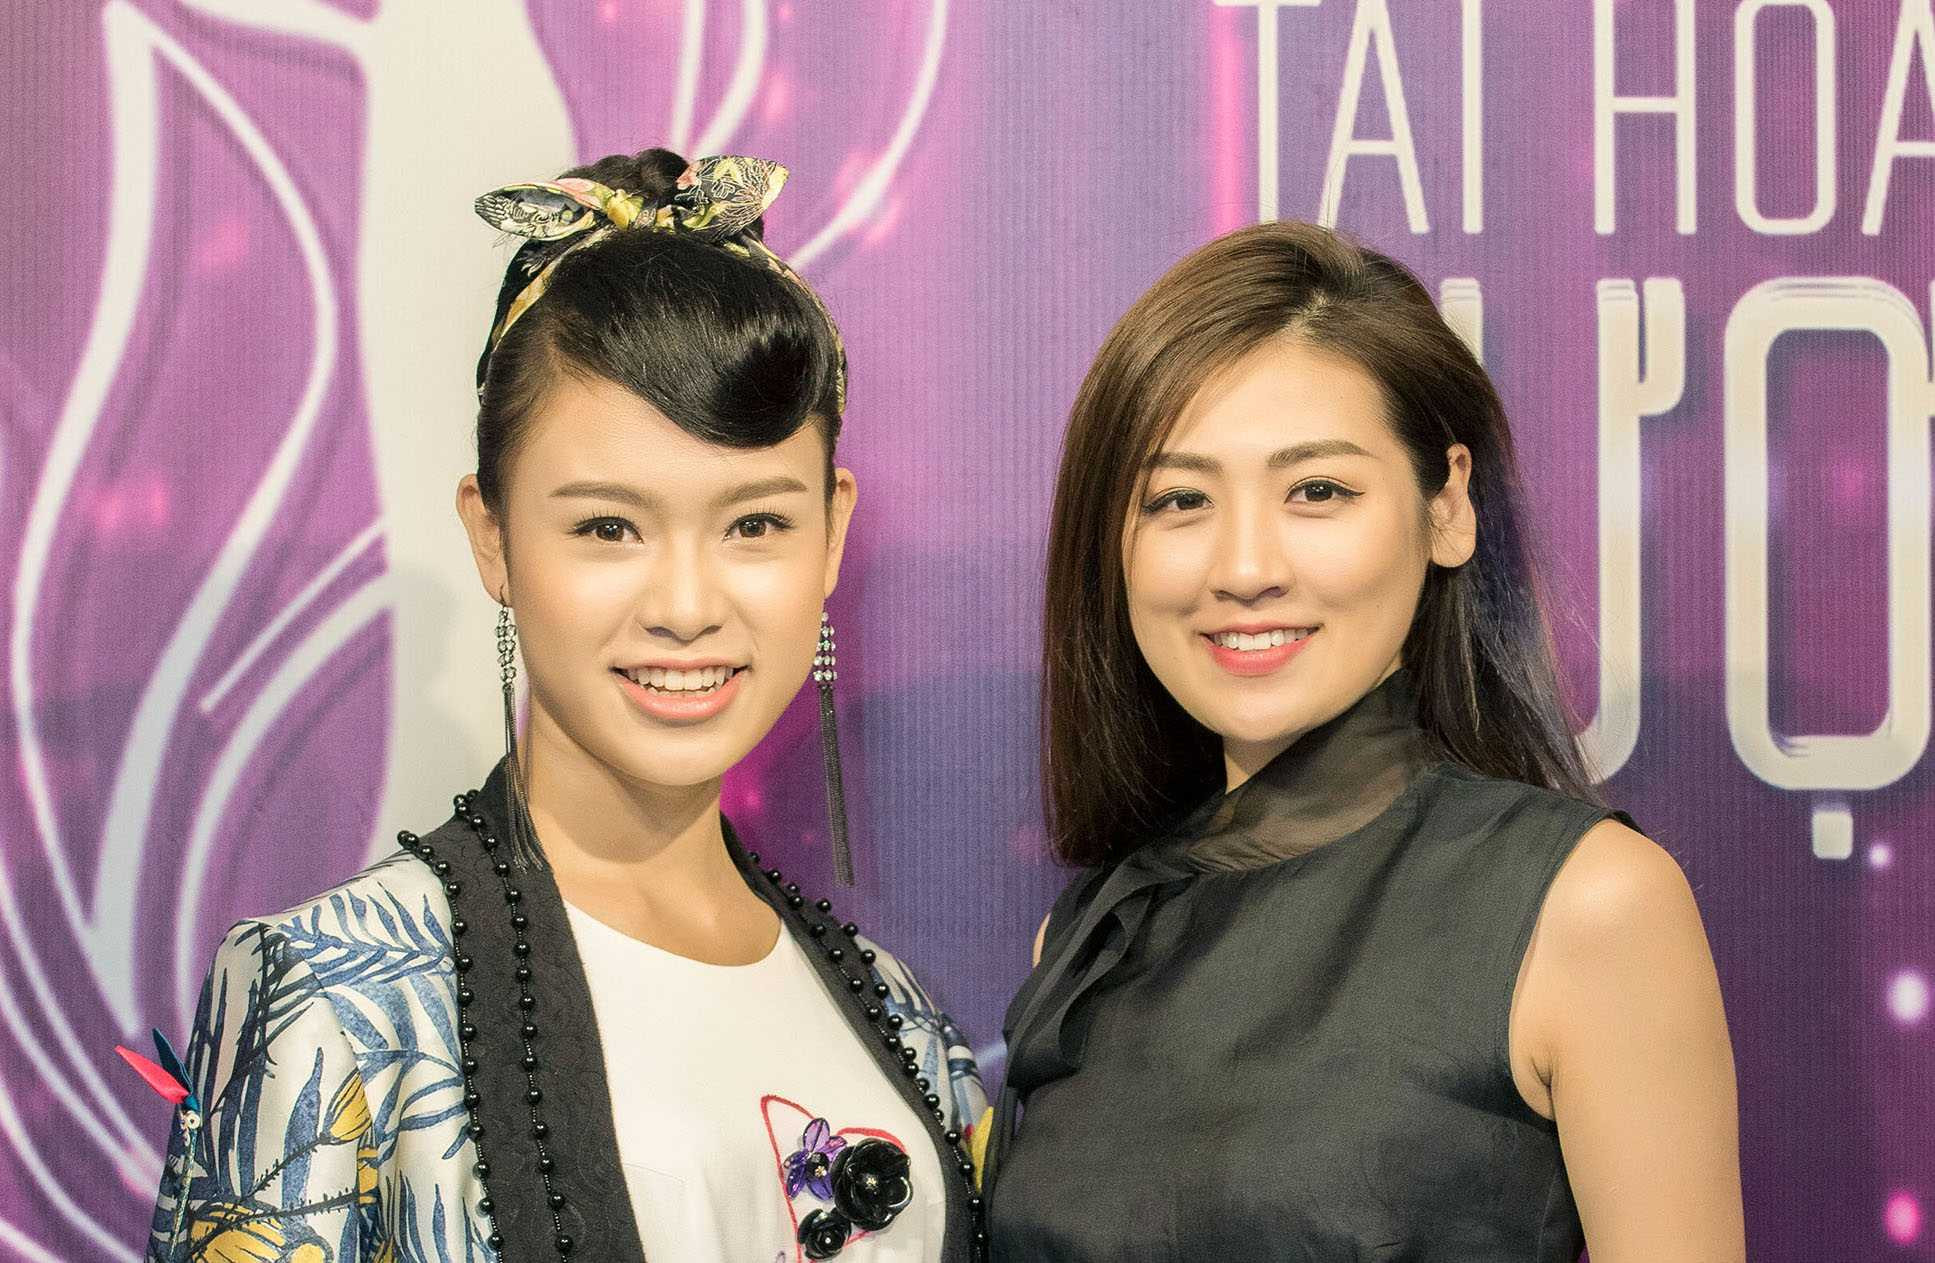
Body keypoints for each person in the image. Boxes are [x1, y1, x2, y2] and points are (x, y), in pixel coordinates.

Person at [139, 147, 987, 1263]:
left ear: (831, 533)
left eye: (755, 525)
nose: (686, 607)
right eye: (606, 527)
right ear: (492, 536)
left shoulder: (903, 1019)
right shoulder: (338, 995)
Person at [984, 221, 1743, 1261]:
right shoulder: (1085, 936)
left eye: (1318, 491)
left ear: (1447, 508)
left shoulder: (1588, 906)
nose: (1244, 568)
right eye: (1179, 500)